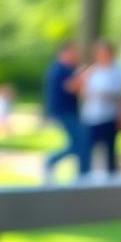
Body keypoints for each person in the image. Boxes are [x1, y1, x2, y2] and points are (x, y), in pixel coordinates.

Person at [79, 40, 121, 176]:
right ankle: (84, 177)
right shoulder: (93, 71)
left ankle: (111, 179)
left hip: (109, 116)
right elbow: (83, 92)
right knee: (88, 149)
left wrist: (104, 95)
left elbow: (118, 94)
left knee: (109, 151)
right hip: (91, 116)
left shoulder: (117, 70)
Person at [43, 42, 85, 180]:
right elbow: (71, 87)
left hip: (66, 111)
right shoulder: (61, 70)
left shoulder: (60, 69)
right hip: (65, 111)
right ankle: (51, 161)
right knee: (78, 143)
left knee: (77, 143)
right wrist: (83, 75)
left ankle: (53, 162)